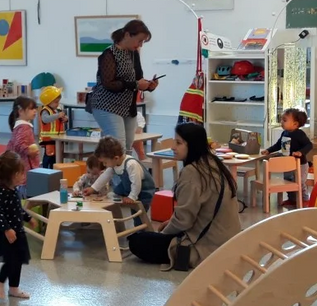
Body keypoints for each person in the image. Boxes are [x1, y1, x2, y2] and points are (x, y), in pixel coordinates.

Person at [128, 123, 241, 270]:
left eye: (179, 143)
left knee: (136, 241)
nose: (174, 147)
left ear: (192, 144)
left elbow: (184, 220)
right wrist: (171, 222)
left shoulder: (192, 172)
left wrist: (163, 234)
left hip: (206, 248)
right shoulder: (214, 163)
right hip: (229, 242)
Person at [87, 20, 159, 152]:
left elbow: (138, 78)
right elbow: (109, 84)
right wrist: (137, 84)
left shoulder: (133, 54)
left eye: (143, 42)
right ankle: (114, 172)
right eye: (139, 40)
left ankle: (122, 172)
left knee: (126, 149)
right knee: (118, 148)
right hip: (107, 106)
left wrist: (149, 85)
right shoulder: (109, 54)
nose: (140, 45)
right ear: (127, 35)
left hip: (127, 107)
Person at [0, 151, 35, 300]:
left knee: (17, 260)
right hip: (5, 234)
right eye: (20, 173)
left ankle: (14, 288)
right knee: (11, 260)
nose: (23, 176)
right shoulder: (1, 192)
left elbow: (17, 209)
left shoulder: (14, 190)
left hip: (17, 232)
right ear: (9, 175)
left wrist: (27, 217)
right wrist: (7, 229)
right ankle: (0, 282)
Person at [82, 136, 156, 210]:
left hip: (143, 191)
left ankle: (139, 220)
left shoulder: (131, 164)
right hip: (128, 187)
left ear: (116, 158)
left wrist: (132, 197)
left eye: (105, 162)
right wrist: (93, 188)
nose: (104, 165)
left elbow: (136, 183)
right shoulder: (114, 164)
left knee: (137, 212)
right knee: (116, 191)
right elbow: (105, 176)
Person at [261, 108, 313, 209]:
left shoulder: (299, 134)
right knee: (288, 181)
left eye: (284, 120)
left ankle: (305, 199)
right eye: (281, 120)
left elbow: (309, 145)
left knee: (299, 182)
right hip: (287, 164)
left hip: (300, 164)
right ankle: (292, 199)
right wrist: (269, 150)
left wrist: (300, 152)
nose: (281, 122)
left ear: (295, 124)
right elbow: (278, 145)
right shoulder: (284, 133)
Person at [6, 96, 40, 175]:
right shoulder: (24, 127)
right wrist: (29, 151)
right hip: (25, 166)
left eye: (35, 108)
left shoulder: (22, 126)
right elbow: (19, 143)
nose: (35, 111)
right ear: (20, 111)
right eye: (31, 109)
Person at [37, 86, 68, 169]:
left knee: (57, 156)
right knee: (49, 156)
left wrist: (65, 119)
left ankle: (54, 169)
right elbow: (46, 119)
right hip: (49, 139)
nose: (57, 104)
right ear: (48, 102)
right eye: (55, 102)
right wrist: (58, 115)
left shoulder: (57, 109)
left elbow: (59, 120)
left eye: (58, 102)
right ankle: (45, 169)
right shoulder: (45, 111)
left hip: (58, 139)